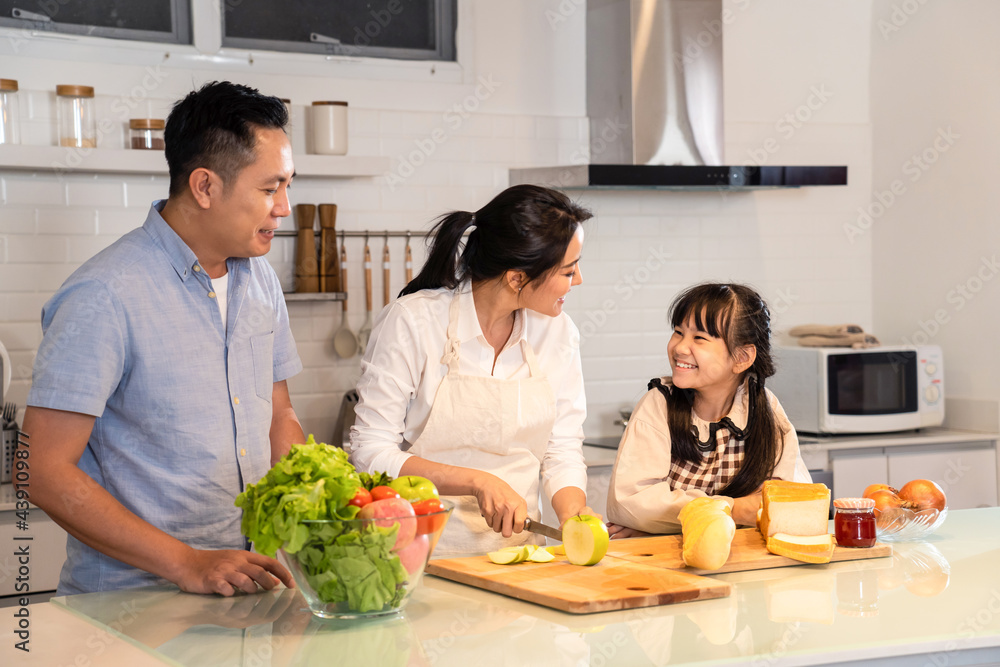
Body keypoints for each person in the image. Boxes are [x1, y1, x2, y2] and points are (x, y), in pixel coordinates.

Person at [23, 81, 304, 596]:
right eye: (269, 189)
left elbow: (278, 416)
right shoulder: (104, 294)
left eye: (288, 185)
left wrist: (324, 514)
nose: (284, 208)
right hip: (131, 604)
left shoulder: (259, 279)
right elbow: (42, 471)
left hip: (247, 589)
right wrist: (187, 563)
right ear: (204, 186)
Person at [348, 184, 598, 555]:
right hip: (419, 556)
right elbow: (370, 452)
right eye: (568, 271)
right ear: (517, 278)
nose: (578, 281)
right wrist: (477, 482)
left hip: (520, 556)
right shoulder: (413, 322)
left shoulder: (557, 331)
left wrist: (573, 515)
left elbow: (560, 448)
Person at [606, 282, 810, 538]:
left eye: (699, 338)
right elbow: (629, 504)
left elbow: (793, 502)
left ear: (742, 358)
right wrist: (734, 508)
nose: (680, 347)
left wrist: (664, 521)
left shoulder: (765, 409)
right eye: (678, 332)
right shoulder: (659, 404)